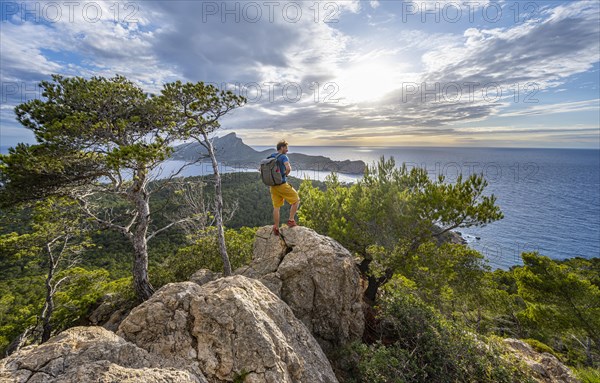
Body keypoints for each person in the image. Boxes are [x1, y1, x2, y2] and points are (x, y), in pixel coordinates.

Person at [269, 140, 300, 235]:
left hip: (273, 186)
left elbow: (260, 169)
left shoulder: (271, 156)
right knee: (296, 200)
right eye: (286, 148)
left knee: (276, 207)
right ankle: (291, 220)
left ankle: (276, 228)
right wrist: (285, 174)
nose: (287, 150)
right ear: (282, 148)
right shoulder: (283, 157)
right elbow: (288, 168)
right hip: (282, 185)